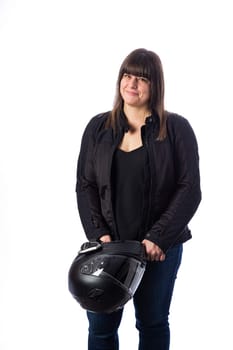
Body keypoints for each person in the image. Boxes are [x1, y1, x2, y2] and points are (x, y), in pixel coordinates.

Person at [75, 48, 201, 350]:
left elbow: (190, 188)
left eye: (141, 78)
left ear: (155, 85)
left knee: (152, 322)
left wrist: (158, 238)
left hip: (158, 251)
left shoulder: (176, 129)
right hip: (108, 247)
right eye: (127, 76)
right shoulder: (97, 128)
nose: (132, 84)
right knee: (101, 327)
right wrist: (98, 235)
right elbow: (85, 185)